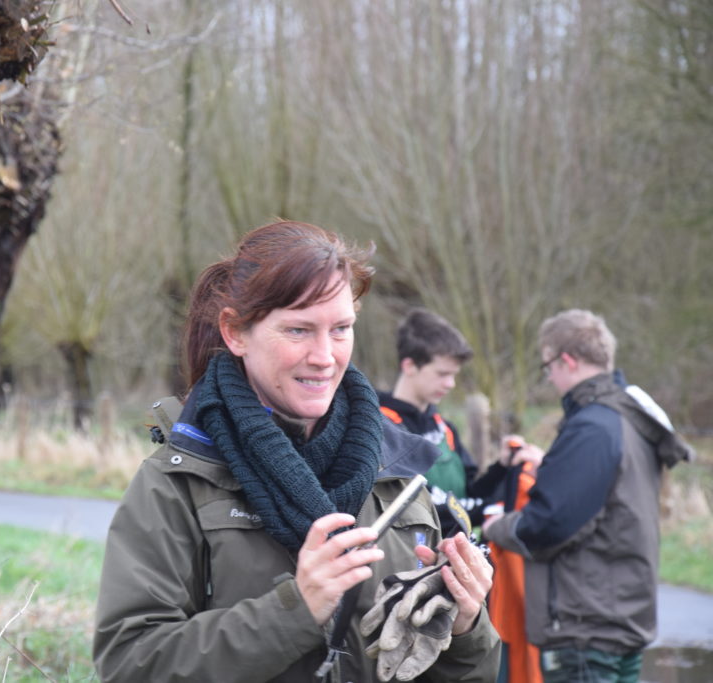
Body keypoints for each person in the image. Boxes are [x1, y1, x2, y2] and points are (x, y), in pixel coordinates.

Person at [93, 221, 500, 682]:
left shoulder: (398, 471)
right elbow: (130, 665)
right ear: (235, 333)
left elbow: (460, 673)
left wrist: (465, 629)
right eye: (299, 330)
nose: (325, 356)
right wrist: (295, 611)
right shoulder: (181, 480)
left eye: (341, 328)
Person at [483, 309, 694, 683]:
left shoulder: (591, 428)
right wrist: (550, 463)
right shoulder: (624, 418)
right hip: (620, 617)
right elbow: (606, 493)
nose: (549, 378)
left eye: (547, 367)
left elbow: (551, 525)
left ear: (566, 360)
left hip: (585, 627)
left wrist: (498, 527)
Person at [377, 308, 535, 535]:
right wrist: (492, 509)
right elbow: (421, 500)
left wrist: (502, 468)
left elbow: (469, 494)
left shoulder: (445, 429)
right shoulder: (383, 428)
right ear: (409, 366)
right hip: (414, 559)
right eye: (442, 374)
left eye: (454, 375)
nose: (451, 384)